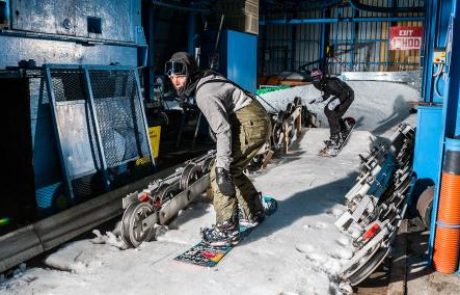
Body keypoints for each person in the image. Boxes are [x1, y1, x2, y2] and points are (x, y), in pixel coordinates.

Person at [165, 52, 271, 246]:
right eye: (172, 77)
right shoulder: (205, 79)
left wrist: (222, 164)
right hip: (255, 118)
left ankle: (227, 229)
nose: (175, 81)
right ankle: (254, 210)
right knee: (233, 169)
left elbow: (223, 130)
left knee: (220, 172)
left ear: (189, 72)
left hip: (252, 122)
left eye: (179, 75)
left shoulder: (203, 93)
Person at [309, 68, 354, 148]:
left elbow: (345, 93)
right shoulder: (320, 83)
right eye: (314, 78)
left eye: (317, 78)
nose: (315, 80)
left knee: (333, 115)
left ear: (321, 76)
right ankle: (342, 128)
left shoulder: (330, 83)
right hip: (340, 95)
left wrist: (335, 102)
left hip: (348, 96)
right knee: (327, 110)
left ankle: (336, 138)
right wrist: (319, 99)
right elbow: (327, 94)